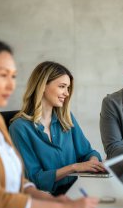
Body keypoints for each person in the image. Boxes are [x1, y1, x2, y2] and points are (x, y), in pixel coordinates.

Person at [0, 40, 98, 208]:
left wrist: (52, 201)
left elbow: (20, 182)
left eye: (14, 76)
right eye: (3, 75)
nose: (11, 84)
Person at [10, 61, 104, 195]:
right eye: (62, 86)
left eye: (68, 88)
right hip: (47, 199)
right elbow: (34, 179)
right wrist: (74, 168)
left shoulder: (66, 119)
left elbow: (88, 153)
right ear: (42, 86)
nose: (66, 93)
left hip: (78, 190)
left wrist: (93, 162)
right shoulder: (20, 128)